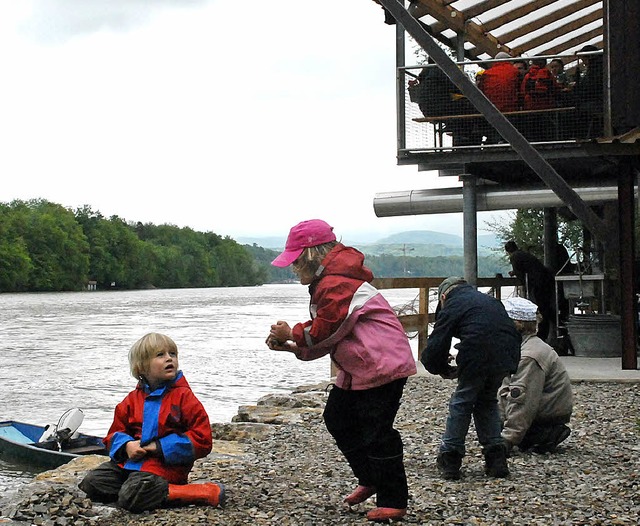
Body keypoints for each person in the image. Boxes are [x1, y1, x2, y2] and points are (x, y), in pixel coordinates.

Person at [266, 219, 416, 522]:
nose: (293, 268)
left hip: (381, 366)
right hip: (361, 367)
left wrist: (292, 334)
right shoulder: (331, 282)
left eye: (296, 261)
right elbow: (333, 335)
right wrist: (295, 347)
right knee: (336, 417)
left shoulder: (337, 283)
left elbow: (327, 326)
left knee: (378, 432)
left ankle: (394, 499)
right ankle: (371, 477)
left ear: (312, 255)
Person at [79, 333, 224, 513]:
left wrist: (158, 447)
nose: (169, 358)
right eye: (160, 355)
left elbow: (202, 439)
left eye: (172, 353)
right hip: (130, 464)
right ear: (141, 368)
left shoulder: (183, 397)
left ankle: (199, 492)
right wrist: (127, 445)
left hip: (165, 469)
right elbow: (113, 434)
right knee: (91, 483)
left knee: (132, 496)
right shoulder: (132, 400)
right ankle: (141, 490)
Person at [420, 277, 520, 481]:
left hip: (478, 353)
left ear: (443, 296)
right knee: (487, 401)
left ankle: (451, 458)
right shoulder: (488, 300)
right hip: (508, 353)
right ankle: (496, 459)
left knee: (462, 402)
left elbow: (438, 341)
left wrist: (439, 367)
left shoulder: (453, 303)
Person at [500, 297, 573, 454]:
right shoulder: (526, 347)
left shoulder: (529, 356)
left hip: (542, 420)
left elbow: (523, 401)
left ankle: (540, 436)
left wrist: (506, 441)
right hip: (540, 416)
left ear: (516, 324)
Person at [504, 241, 556, 342]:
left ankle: (541, 334)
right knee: (546, 307)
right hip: (547, 279)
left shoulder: (514, 256)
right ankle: (548, 332)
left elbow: (520, 274)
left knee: (540, 308)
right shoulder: (523, 254)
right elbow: (527, 267)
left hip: (538, 283)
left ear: (507, 251)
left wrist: (524, 286)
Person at [477, 51, 521, 142]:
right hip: (511, 108)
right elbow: (520, 88)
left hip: (492, 109)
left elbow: (481, 91)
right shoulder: (514, 71)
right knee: (511, 133)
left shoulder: (487, 73)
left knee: (495, 131)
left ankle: (494, 144)